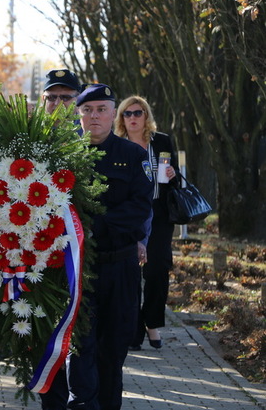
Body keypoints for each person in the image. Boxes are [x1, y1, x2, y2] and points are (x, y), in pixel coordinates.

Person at [43, 84, 153, 410]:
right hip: (79, 268)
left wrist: (94, 226)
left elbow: (141, 207)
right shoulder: (64, 156)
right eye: (87, 110)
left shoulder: (132, 156)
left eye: (101, 109)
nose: (94, 116)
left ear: (112, 113)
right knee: (81, 345)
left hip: (120, 266)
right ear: (78, 114)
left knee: (114, 348)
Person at [115, 95, 178, 351]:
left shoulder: (161, 141)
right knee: (130, 272)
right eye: (127, 114)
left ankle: (151, 321)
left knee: (156, 271)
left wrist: (173, 175)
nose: (132, 118)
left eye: (137, 113)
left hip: (159, 214)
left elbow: (172, 183)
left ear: (146, 116)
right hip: (130, 214)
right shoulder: (117, 144)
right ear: (121, 118)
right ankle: (133, 329)